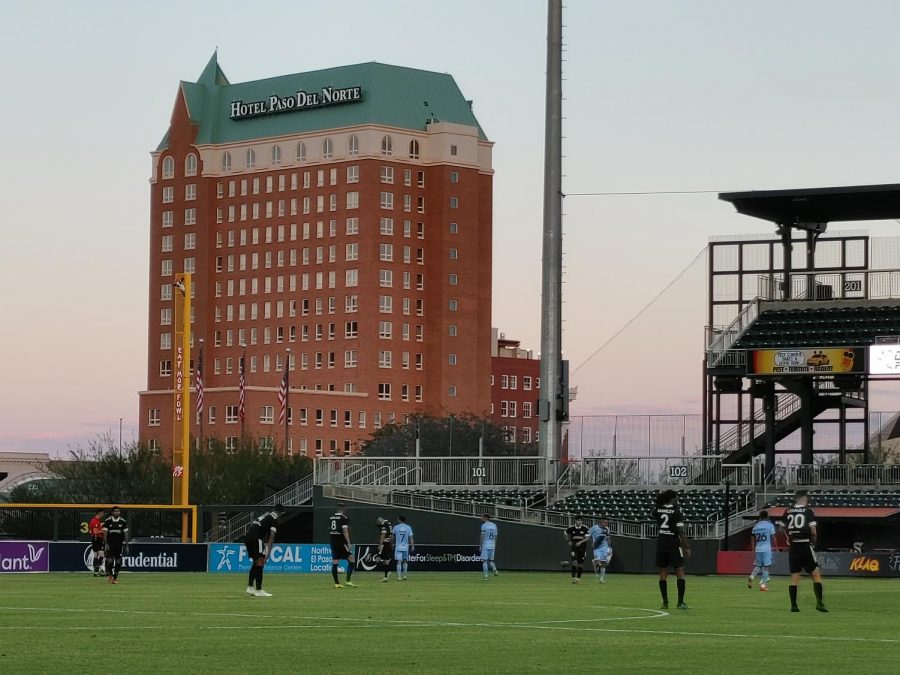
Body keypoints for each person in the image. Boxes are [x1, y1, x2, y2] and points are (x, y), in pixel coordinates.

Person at [779, 490, 828, 613]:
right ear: (804, 499)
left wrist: (787, 539)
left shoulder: (787, 511)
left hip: (794, 547)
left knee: (795, 577)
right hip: (805, 544)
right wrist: (814, 542)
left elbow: (781, 527)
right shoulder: (808, 511)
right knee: (816, 575)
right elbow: (813, 532)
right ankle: (819, 603)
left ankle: (794, 606)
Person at [653, 490, 690, 610]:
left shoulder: (657, 510)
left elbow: (654, 511)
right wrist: (687, 547)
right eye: (676, 497)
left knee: (663, 573)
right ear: (672, 498)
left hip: (661, 543)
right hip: (674, 544)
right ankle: (680, 603)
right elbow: (681, 532)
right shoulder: (676, 512)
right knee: (680, 570)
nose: (677, 499)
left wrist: (659, 499)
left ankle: (665, 602)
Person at [244, 510, 279, 597]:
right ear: (280, 513)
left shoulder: (265, 515)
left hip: (248, 537)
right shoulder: (274, 519)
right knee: (260, 562)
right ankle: (259, 590)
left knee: (256, 563)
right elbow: (272, 536)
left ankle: (250, 587)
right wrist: (268, 552)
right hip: (256, 538)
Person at [329, 504, 357, 588]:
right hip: (341, 542)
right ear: (343, 509)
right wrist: (348, 542)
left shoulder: (331, 518)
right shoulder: (344, 518)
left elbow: (330, 530)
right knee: (351, 559)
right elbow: (345, 531)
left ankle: (337, 583)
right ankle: (348, 581)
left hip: (333, 542)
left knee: (335, 561)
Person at [748, 510, 776, 591]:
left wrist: (753, 549)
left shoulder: (755, 527)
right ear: (767, 517)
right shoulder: (769, 526)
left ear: (760, 517)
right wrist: (776, 547)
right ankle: (763, 586)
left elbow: (752, 540)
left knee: (758, 565)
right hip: (766, 548)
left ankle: (751, 577)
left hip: (758, 549)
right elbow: (773, 537)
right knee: (766, 567)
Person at [102, 506, 129, 585]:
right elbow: (105, 533)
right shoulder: (108, 521)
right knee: (110, 561)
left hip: (119, 544)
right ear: (112, 512)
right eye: (115, 511)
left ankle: (114, 578)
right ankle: (110, 574)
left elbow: (126, 533)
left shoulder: (123, 521)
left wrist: (127, 545)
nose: (117, 512)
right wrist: (106, 543)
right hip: (110, 544)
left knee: (118, 562)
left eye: (118, 511)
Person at [564, 515, 589, 584]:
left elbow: (587, 538)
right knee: (574, 562)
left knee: (580, 564)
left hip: (582, 549)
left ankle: (578, 578)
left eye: (580, 520)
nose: (579, 522)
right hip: (574, 548)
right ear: (575, 521)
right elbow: (565, 533)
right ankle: (573, 577)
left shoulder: (585, 528)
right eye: (578, 520)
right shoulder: (572, 528)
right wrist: (568, 541)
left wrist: (580, 542)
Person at [589, 516, 613, 583]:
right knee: (597, 562)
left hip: (604, 547)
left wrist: (609, 546)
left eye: (606, 523)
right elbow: (589, 535)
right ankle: (595, 566)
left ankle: (601, 579)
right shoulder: (594, 527)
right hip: (596, 547)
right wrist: (592, 543)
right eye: (604, 522)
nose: (605, 524)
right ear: (601, 522)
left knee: (603, 563)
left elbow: (608, 538)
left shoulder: (607, 529)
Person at [392, 515, 414, 580]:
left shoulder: (395, 527)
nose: (397, 520)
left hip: (398, 547)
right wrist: (412, 545)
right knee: (405, 561)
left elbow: (393, 537)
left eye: (397, 519)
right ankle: (405, 576)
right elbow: (411, 537)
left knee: (399, 561)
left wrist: (392, 544)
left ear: (399, 520)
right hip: (405, 547)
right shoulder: (408, 527)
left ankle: (399, 577)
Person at [479, 513, 499, 581]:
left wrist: (480, 545)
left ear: (485, 517)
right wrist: (495, 544)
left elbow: (482, 536)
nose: (481, 518)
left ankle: (486, 576)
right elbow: (496, 536)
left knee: (484, 561)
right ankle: (495, 571)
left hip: (486, 544)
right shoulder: (494, 525)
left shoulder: (484, 526)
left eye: (482, 517)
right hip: (492, 544)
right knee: (491, 560)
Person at [376, 517, 394, 582]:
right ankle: (386, 576)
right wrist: (391, 543)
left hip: (384, 543)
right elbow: (392, 535)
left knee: (379, 559)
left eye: (377, 523)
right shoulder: (389, 524)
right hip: (388, 543)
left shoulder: (384, 525)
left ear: (379, 521)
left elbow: (383, 535)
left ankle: (388, 572)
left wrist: (380, 544)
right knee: (384, 560)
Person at [88, 508, 105, 577]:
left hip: (95, 539)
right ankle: (97, 570)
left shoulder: (93, 520)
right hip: (97, 539)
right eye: (103, 513)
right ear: (100, 513)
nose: (103, 515)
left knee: (96, 555)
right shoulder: (95, 521)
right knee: (102, 555)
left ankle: (95, 572)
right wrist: (103, 531)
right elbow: (95, 532)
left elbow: (91, 531)